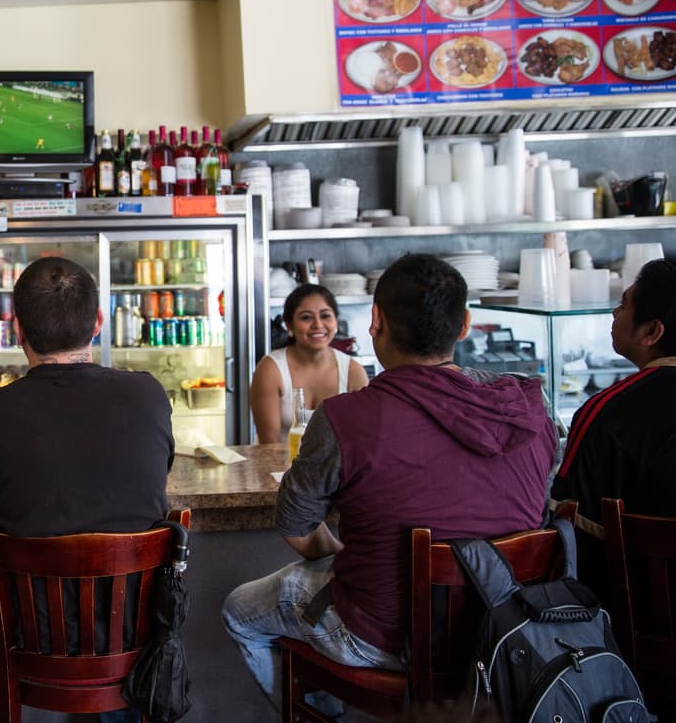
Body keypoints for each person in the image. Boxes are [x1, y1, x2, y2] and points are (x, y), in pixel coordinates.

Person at [222, 254, 556, 715]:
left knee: (239, 610)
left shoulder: (345, 417)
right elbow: (545, 508)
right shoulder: (531, 407)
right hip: (508, 631)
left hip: (383, 633)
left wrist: (339, 557)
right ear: (464, 325)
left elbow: (295, 523)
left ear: (375, 321)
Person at [0, 256, 173, 723]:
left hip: (28, 629)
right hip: (134, 621)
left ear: (17, 330)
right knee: (118, 615)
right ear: (98, 322)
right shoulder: (148, 394)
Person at [551, 257, 676, 596]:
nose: (614, 313)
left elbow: (571, 527)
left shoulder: (606, 412)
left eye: (623, 305)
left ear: (651, 332)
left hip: (644, 614)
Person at [250, 284, 369, 443]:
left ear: (336, 321)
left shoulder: (353, 372)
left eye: (325, 316)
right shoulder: (270, 369)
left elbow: (361, 440)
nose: (318, 325)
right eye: (306, 317)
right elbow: (269, 443)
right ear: (289, 325)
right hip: (283, 459)